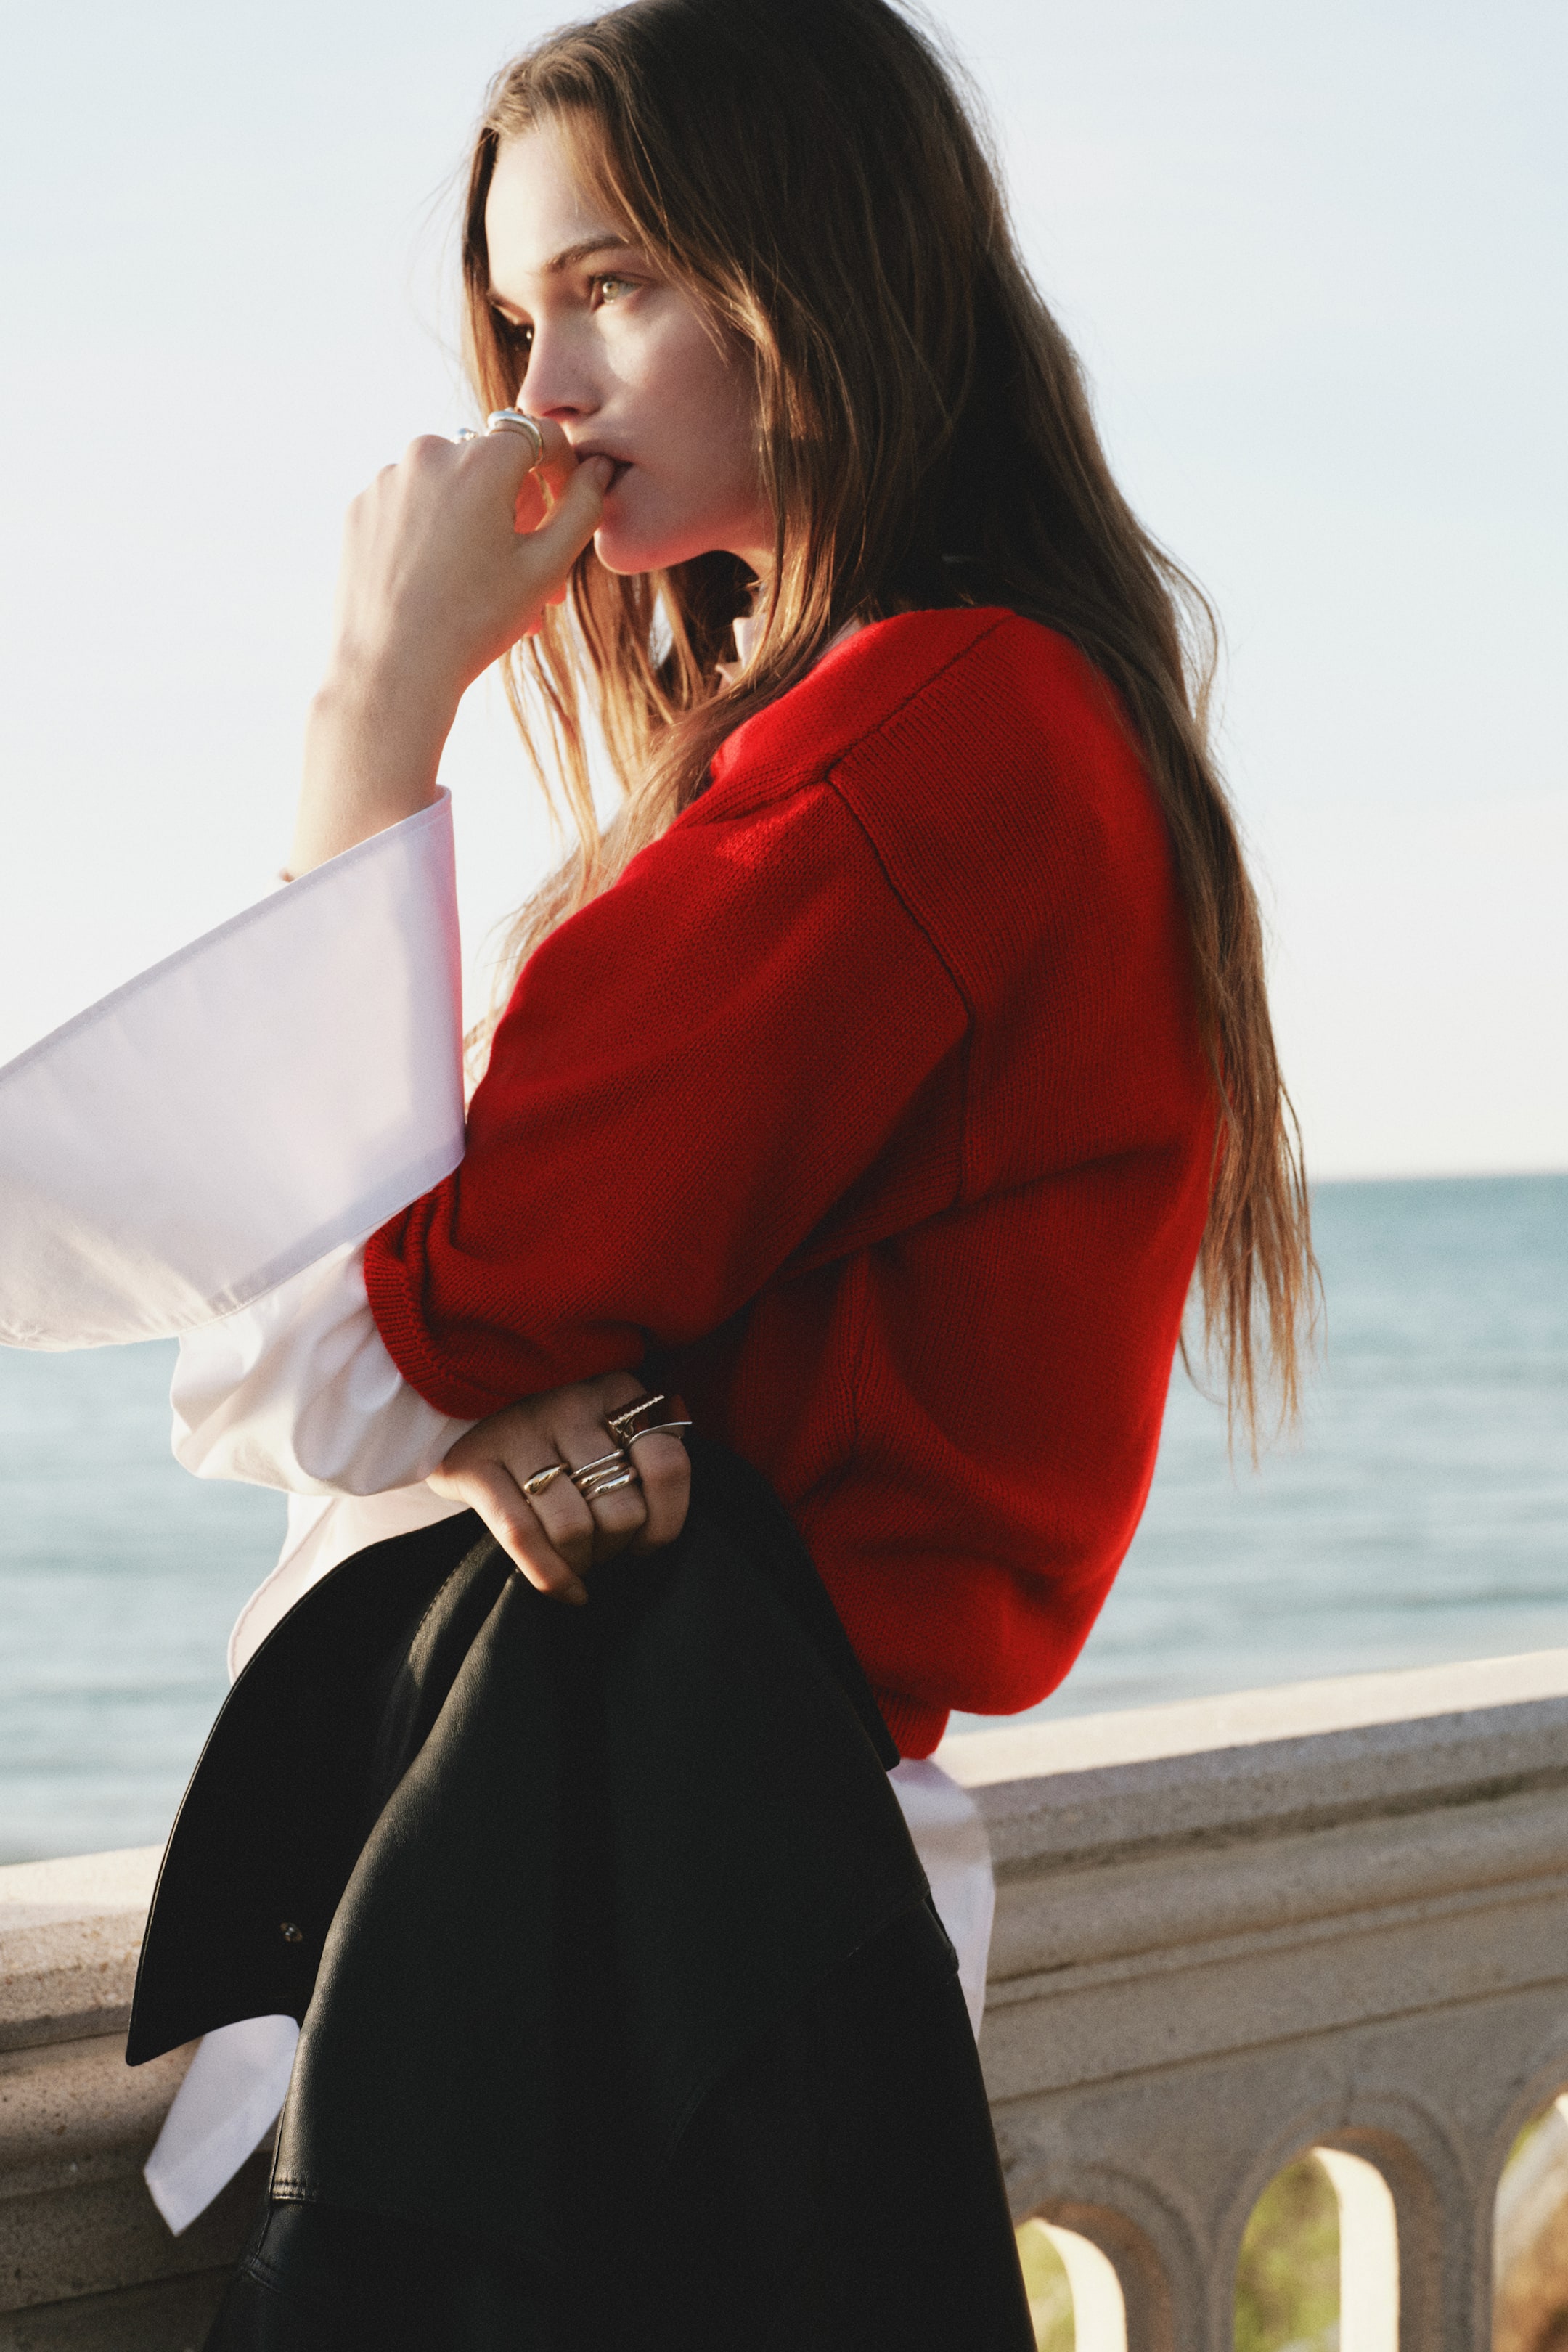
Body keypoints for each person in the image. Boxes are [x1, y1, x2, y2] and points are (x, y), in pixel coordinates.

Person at [0, 0, 1315, 2340]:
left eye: (609, 287)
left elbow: (342, 1334)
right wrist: (493, 1389)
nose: (539, 394)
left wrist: (371, 702)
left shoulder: (932, 736)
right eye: (518, 315)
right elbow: (420, 1327)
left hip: (632, 1929)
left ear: (816, 275)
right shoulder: (966, 718)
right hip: (694, 1892)